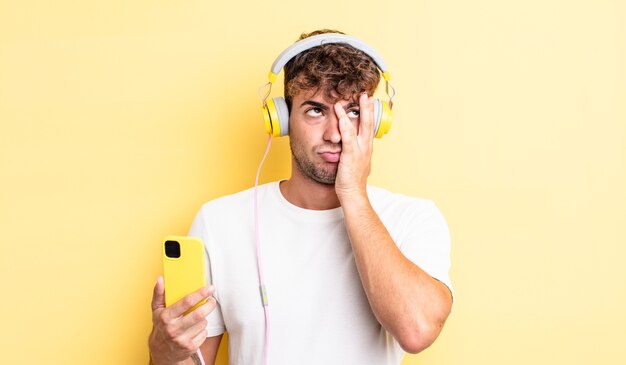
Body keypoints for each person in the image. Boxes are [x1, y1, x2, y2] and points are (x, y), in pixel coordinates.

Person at [148, 29, 453, 365]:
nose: (336, 134)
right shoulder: (220, 222)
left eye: (352, 112)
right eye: (316, 110)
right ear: (281, 118)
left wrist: (352, 193)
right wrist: (165, 353)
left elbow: (418, 330)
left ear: (376, 121)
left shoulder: (412, 218)